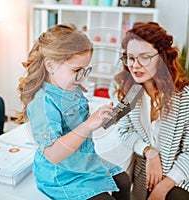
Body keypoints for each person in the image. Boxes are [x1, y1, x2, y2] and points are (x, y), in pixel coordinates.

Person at [17, 24, 131, 200]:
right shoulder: (42, 102)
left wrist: (102, 118)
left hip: (83, 161)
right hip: (61, 174)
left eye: (85, 70)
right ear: (51, 65)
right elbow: (53, 154)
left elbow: (79, 122)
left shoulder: (71, 88)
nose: (82, 76)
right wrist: (88, 125)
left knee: (123, 181)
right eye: (77, 70)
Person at [114, 22, 189, 200]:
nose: (135, 65)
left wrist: (164, 186)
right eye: (131, 58)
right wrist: (149, 152)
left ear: (162, 58)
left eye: (145, 57)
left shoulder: (187, 97)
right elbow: (124, 130)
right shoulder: (131, 92)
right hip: (149, 174)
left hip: (184, 175)